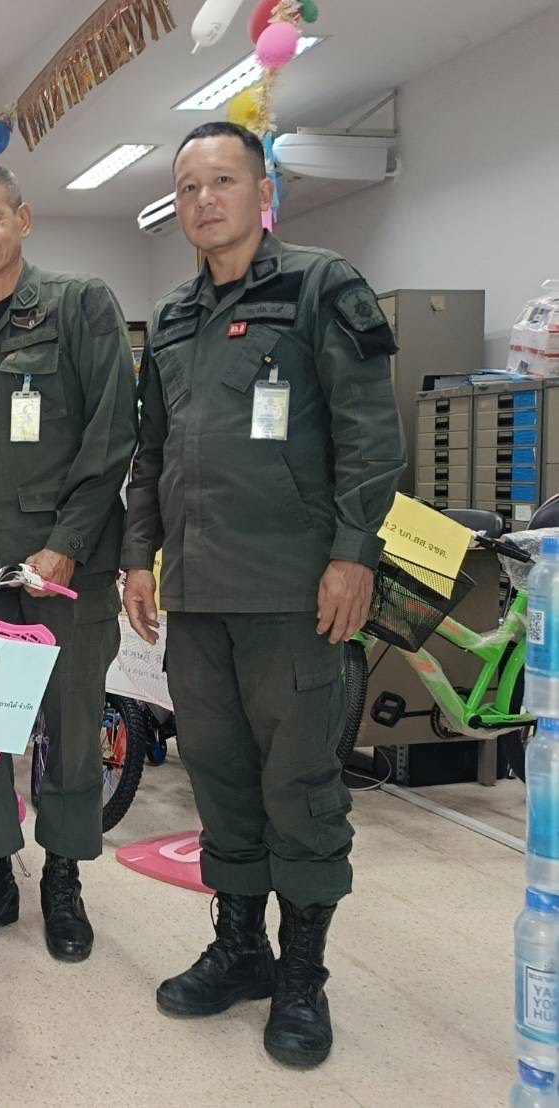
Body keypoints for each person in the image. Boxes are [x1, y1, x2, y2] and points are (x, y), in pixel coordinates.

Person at [122, 122, 403, 1067]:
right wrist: (137, 556)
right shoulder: (170, 318)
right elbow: (151, 453)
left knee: (299, 785)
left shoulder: (322, 286)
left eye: (222, 181)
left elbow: (370, 437)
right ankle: (240, 948)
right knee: (219, 777)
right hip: (198, 597)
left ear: (260, 191)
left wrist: (353, 555)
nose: (204, 200)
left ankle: (301, 976)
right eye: (187, 187)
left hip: (294, 593)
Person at [0, 164, 137, 962]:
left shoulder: (79, 305)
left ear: (22, 219)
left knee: (70, 726)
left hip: (65, 568)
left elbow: (111, 434)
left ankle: (62, 877)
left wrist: (70, 542)